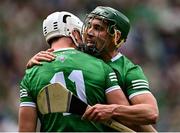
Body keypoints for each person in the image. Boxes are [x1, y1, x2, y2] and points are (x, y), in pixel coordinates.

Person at [26, 6, 159, 132]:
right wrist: (33, 62)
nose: (89, 32)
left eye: (98, 28)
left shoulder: (128, 71)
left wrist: (112, 110)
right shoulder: (80, 56)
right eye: (89, 26)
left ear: (116, 36)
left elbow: (151, 113)